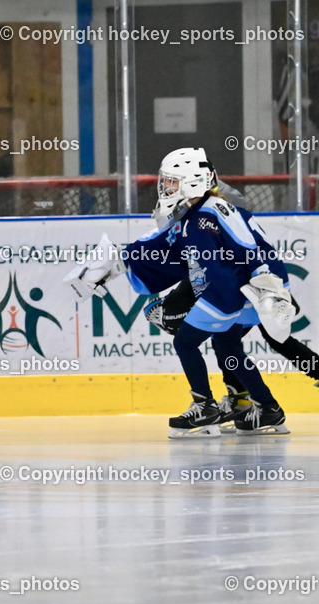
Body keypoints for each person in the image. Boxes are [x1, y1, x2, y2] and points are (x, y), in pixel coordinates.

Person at [65, 147, 291, 437]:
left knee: (185, 342)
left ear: (193, 181)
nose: (166, 187)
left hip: (232, 290)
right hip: (234, 288)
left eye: (172, 181)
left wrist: (267, 284)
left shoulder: (213, 210)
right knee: (227, 347)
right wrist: (120, 261)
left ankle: (205, 408)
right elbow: (162, 243)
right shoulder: (192, 213)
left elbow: (246, 244)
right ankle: (266, 408)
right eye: (167, 181)